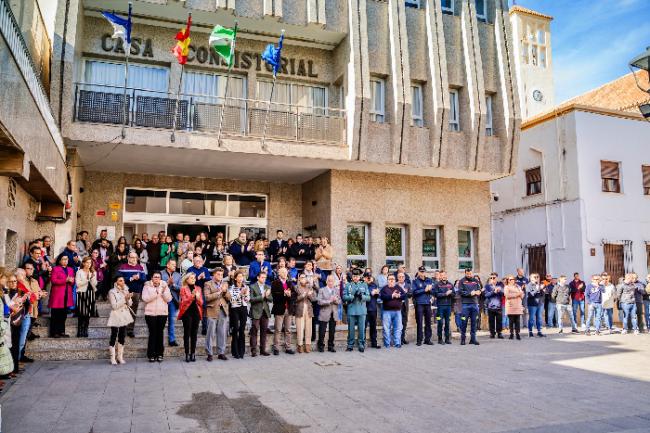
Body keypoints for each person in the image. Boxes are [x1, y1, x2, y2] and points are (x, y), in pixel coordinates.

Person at [141, 272, 171, 362]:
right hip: (150, 314)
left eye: (159, 277)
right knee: (152, 333)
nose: (157, 278)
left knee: (160, 333)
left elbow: (169, 299)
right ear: (152, 278)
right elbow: (145, 298)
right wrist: (156, 293)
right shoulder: (147, 286)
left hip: (162, 313)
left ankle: (160, 354)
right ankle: (151, 354)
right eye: (155, 277)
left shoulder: (164, 286)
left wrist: (163, 292)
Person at [117, 252, 147, 338]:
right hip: (124, 292)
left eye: (135, 258)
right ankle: (122, 329)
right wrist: (131, 278)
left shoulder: (140, 267)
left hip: (136, 292)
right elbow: (118, 280)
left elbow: (144, 279)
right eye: (132, 257)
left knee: (133, 311)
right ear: (128, 258)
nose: (134, 259)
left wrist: (139, 278)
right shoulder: (123, 267)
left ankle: (130, 330)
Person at [203, 269, 231, 361]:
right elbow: (207, 298)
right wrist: (218, 293)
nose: (220, 276)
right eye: (218, 274)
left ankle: (221, 353)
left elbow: (229, 298)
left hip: (223, 310)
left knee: (222, 333)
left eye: (222, 274)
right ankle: (209, 353)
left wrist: (225, 291)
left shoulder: (225, 284)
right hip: (212, 310)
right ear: (214, 275)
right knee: (210, 333)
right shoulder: (208, 284)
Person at [107, 276, 133, 365]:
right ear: (116, 282)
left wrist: (129, 298)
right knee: (114, 335)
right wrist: (124, 299)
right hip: (115, 315)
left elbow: (130, 304)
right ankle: (112, 357)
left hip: (124, 315)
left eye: (123, 281)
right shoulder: (112, 292)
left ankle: (120, 357)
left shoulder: (126, 289)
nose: (122, 282)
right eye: (120, 281)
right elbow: (114, 306)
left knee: (122, 335)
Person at [343, 269, 370, 352]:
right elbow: (344, 297)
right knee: (351, 329)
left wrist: (362, 296)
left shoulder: (364, 285)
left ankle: (361, 344)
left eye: (357, 276)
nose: (355, 278)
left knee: (361, 329)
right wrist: (352, 296)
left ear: (359, 277)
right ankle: (350, 345)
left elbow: (368, 297)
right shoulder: (348, 285)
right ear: (352, 276)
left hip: (361, 310)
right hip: (351, 309)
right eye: (354, 276)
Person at [178, 273, 203, 362]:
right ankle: (187, 354)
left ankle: (193, 353)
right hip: (186, 312)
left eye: (194, 278)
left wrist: (197, 297)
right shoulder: (183, 289)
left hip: (196, 312)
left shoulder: (198, 288)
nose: (193, 279)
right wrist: (192, 296)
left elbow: (201, 303)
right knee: (187, 333)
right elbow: (183, 302)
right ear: (187, 279)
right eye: (191, 278)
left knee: (194, 333)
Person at [271, 267, 295, 355]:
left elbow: (294, 294)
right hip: (279, 308)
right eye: (283, 272)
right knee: (278, 329)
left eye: (286, 272)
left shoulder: (290, 283)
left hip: (288, 309)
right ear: (279, 273)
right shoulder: (275, 283)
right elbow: (274, 296)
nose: (285, 274)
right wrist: (284, 294)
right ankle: (276, 348)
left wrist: (289, 295)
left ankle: (288, 347)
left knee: (288, 329)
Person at [49, 255, 75, 338]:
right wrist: (65, 280)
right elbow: (53, 280)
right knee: (56, 314)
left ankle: (62, 331)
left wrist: (71, 281)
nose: (65, 261)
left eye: (67, 259)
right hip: (58, 295)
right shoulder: (55, 269)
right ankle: (54, 332)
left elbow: (73, 282)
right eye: (63, 259)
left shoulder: (70, 269)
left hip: (67, 294)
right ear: (59, 261)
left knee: (64, 315)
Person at [186, 255, 211, 335]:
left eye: (200, 261)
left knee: (204, 310)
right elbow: (188, 281)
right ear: (193, 262)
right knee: (193, 310)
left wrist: (204, 278)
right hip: (193, 291)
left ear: (202, 261)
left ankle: (204, 328)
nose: (199, 262)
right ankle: (191, 329)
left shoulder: (205, 269)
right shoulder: (190, 269)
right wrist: (198, 278)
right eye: (197, 261)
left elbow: (209, 280)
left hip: (203, 291)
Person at [456, 269, 482, 345]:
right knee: (464, 322)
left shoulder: (475, 281)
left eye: (470, 274)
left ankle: (473, 339)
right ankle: (463, 339)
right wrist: (470, 293)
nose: (469, 275)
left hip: (474, 304)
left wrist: (478, 292)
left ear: (472, 273)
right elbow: (460, 292)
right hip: (465, 305)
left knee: (474, 322)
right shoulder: (462, 281)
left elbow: (479, 290)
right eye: (467, 274)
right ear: (465, 273)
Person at [249, 271, 272, 357]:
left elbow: (271, 299)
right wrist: (262, 296)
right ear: (258, 277)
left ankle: (263, 350)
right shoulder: (252, 286)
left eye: (265, 277)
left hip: (265, 312)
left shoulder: (267, 287)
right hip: (256, 311)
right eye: (262, 277)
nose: (264, 279)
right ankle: (253, 350)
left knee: (264, 331)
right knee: (254, 331)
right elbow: (251, 299)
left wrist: (267, 296)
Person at [317, 274, 341, 352]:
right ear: (327, 281)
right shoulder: (322, 290)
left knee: (332, 331)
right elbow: (319, 301)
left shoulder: (336, 290)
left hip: (333, 313)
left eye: (332, 281)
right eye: (329, 281)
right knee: (322, 331)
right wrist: (329, 301)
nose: (331, 283)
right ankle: (320, 346)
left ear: (334, 282)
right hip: (324, 313)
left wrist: (336, 300)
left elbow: (340, 301)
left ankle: (331, 346)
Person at [228, 271, 250, 359]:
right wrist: (240, 294)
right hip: (235, 309)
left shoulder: (246, 287)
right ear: (235, 278)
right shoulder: (232, 288)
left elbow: (248, 299)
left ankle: (242, 351)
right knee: (236, 328)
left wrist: (245, 296)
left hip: (243, 308)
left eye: (242, 276)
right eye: (239, 276)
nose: (241, 278)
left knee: (242, 329)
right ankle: (235, 351)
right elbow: (231, 300)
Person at [380, 275, 406, 348]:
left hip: (397, 311)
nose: (391, 280)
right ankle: (387, 344)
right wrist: (392, 296)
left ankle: (397, 342)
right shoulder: (384, 288)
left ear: (395, 280)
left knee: (398, 328)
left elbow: (404, 295)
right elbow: (382, 297)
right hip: (387, 311)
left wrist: (399, 296)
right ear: (387, 280)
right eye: (390, 279)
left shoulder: (398, 287)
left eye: (393, 279)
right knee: (386, 329)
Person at [75, 257, 98, 338]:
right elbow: (77, 284)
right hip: (81, 293)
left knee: (87, 314)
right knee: (82, 313)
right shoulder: (79, 272)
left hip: (90, 293)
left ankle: (85, 329)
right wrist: (87, 279)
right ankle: (80, 330)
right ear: (83, 263)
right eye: (87, 262)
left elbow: (94, 284)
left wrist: (92, 279)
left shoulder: (93, 272)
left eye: (90, 263)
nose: (89, 264)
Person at [160, 260, 181, 347]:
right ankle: (160, 340)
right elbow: (157, 286)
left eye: (175, 264)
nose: (174, 266)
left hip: (173, 300)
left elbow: (181, 288)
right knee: (161, 321)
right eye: (173, 264)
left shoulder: (178, 275)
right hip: (162, 300)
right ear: (167, 265)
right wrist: (167, 283)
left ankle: (172, 340)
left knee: (171, 320)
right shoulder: (161, 273)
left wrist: (173, 285)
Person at [294, 273, 317, 353]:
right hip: (300, 309)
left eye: (304, 277)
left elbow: (314, 299)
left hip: (308, 309)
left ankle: (307, 345)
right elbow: (295, 299)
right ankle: (300, 345)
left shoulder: (309, 287)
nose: (303, 279)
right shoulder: (296, 287)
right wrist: (304, 295)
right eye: (302, 277)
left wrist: (310, 295)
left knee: (308, 328)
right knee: (300, 328)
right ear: (299, 279)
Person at [411, 266, 434, 346]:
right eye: (421, 271)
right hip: (419, 303)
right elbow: (414, 292)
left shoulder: (429, 280)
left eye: (424, 271)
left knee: (428, 322)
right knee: (419, 322)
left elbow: (433, 291)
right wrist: (424, 290)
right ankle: (419, 340)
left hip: (427, 303)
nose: (422, 273)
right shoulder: (415, 281)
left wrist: (430, 290)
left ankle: (427, 339)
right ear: (418, 272)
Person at [434, 271, 454, 344]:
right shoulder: (437, 285)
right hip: (440, 307)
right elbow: (436, 294)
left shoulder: (450, 284)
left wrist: (451, 293)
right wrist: (445, 294)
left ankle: (447, 339)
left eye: (445, 275)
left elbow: (454, 295)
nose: (444, 276)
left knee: (447, 323)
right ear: (440, 276)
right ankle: (440, 339)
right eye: (442, 275)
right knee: (440, 322)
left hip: (448, 306)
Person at [484, 275, 504, 339]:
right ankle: (492, 333)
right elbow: (486, 295)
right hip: (490, 306)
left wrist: (499, 291)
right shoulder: (487, 286)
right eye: (491, 278)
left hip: (499, 306)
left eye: (494, 278)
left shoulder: (500, 285)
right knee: (491, 321)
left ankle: (499, 333)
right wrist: (493, 291)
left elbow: (503, 293)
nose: (493, 279)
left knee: (499, 320)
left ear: (496, 278)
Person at [504, 275, 524, 340]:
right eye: (509, 279)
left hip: (518, 306)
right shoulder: (506, 287)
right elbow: (507, 295)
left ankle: (518, 334)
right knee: (511, 321)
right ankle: (511, 334)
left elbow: (522, 295)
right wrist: (517, 294)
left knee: (517, 321)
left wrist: (520, 294)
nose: (510, 280)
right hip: (510, 306)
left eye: (512, 279)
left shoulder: (518, 286)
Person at [525, 273, 545, 338]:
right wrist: (536, 289)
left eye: (537, 277)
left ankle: (539, 332)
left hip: (539, 304)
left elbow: (542, 295)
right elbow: (530, 295)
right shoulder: (528, 285)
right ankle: (530, 332)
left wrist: (542, 289)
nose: (536, 278)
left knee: (539, 318)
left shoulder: (539, 284)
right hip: (532, 304)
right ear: (531, 278)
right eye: (535, 277)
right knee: (532, 318)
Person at [364, 272, 381, 349]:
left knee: (373, 327)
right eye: (367, 277)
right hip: (364, 309)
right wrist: (371, 293)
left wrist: (377, 293)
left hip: (373, 308)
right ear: (364, 278)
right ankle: (362, 343)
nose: (369, 278)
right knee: (363, 326)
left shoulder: (374, 285)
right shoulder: (362, 285)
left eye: (370, 277)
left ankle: (374, 343)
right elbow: (363, 295)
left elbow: (378, 296)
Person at [396, 271, 412, 345]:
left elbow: (410, 295)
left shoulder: (408, 285)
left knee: (404, 322)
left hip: (405, 305)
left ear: (404, 278)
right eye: (399, 277)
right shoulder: (394, 285)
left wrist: (407, 293)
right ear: (397, 277)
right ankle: (398, 339)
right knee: (397, 323)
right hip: (396, 305)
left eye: (402, 277)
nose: (401, 278)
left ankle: (402, 338)